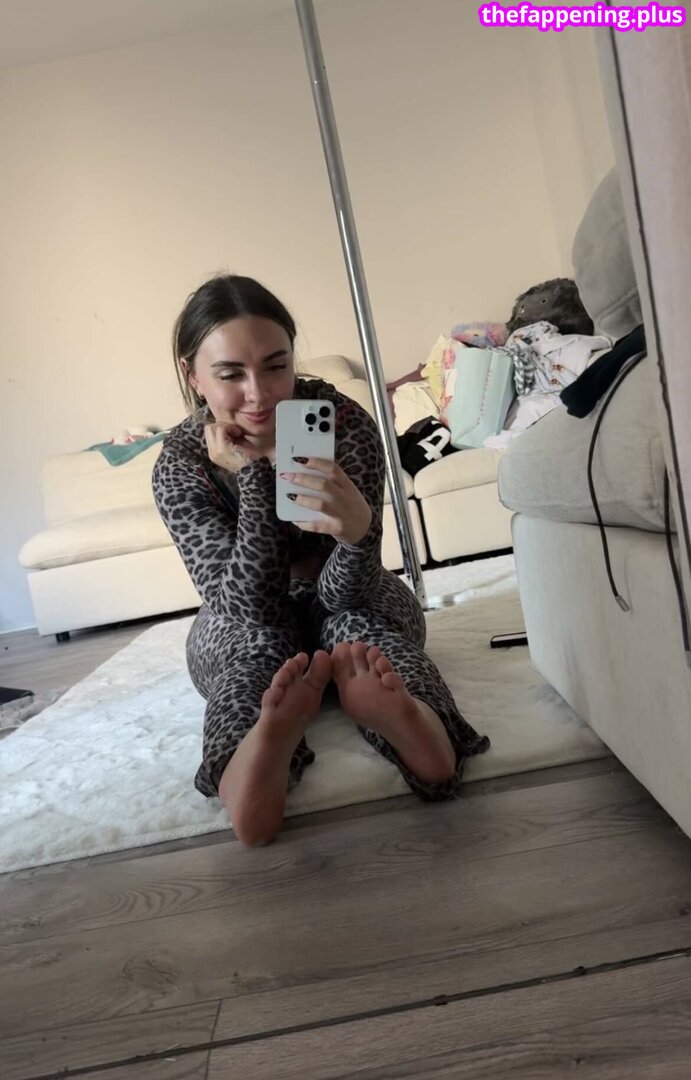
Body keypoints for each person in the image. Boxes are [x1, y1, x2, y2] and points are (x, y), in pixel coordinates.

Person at [153, 274, 490, 846]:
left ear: (293, 358)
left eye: (275, 366)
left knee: (360, 632)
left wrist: (358, 534)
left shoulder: (343, 423)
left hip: (352, 594)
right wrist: (254, 477)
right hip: (245, 618)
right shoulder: (180, 464)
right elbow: (248, 607)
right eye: (231, 374)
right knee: (253, 649)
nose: (259, 394)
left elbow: (347, 593)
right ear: (194, 376)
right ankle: (249, 768)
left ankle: (421, 730)